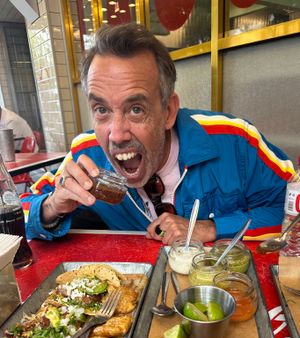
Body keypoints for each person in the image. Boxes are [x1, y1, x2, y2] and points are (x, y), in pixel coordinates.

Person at [21, 23, 294, 246]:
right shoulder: (86, 153)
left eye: (136, 109)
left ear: (168, 111)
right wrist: (53, 205)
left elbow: (292, 212)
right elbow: (22, 210)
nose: (116, 135)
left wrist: (211, 228)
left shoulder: (235, 139)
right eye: (102, 109)